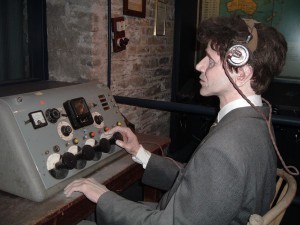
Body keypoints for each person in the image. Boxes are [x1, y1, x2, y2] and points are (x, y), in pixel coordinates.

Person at [64, 14, 288, 224]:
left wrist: (103, 196)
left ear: (242, 72)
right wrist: (140, 153)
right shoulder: (256, 120)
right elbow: (200, 181)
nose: (199, 66)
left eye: (210, 61)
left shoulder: (226, 147)